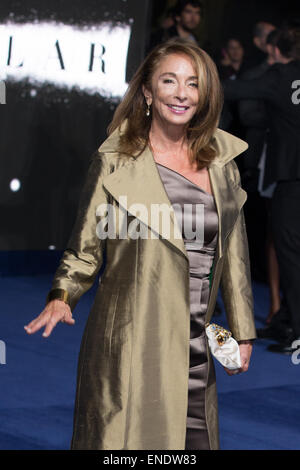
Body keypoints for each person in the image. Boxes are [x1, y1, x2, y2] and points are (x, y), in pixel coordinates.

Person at [24, 39, 256, 450]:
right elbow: (86, 246)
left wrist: (241, 332)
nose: (182, 93)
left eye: (193, 84)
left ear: (204, 96)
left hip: (198, 342)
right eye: (169, 81)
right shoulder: (115, 160)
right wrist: (63, 295)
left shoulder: (222, 164)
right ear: (148, 92)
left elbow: (235, 255)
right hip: (132, 339)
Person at [223, 24, 300, 354]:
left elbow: (234, 91)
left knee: (289, 254)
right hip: (291, 177)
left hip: (292, 178)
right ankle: (285, 319)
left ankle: (296, 328)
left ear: (275, 50)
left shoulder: (278, 77)